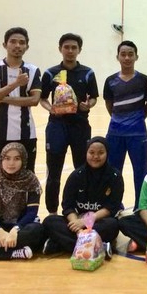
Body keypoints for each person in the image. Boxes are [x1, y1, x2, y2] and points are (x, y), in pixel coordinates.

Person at [40, 33, 99, 214]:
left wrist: (88, 105)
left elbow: (94, 98)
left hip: (80, 126)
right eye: (66, 47)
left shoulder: (87, 73)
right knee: (54, 172)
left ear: (79, 50)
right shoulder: (50, 73)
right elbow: (42, 98)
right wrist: (50, 108)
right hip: (57, 127)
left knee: (82, 170)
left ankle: (81, 210)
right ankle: (52, 212)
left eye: (74, 47)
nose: (70, 51)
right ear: (60, 49)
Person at [42, 137, 123, 258]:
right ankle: (98, 247)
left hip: (98, 221)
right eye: (92, 152)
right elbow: (68, 206)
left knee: (113, 225)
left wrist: (85, 222)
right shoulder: (76, 176)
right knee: (50, 221)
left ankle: (62, 244)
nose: (96, 156)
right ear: (86, 153)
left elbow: (111, 208)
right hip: (77, 222)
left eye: (101, 153)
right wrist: (78, 228)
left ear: (107, 154)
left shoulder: (115, 177)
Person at [0, 27, 42, 177]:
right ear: (4, 44)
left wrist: (2, 98)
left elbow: (34, 100)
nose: (17, 45)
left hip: (26, 134)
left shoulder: (33, 70)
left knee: (26, 176)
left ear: (27, 46)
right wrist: (15, 84)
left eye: (22, 42)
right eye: (13, 42)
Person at [103, 40, 147, 210]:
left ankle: (141, 207)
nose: (127, 58)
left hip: (138, 134)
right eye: (123, 54)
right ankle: (114, 205)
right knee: (113, 172)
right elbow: (109, 105)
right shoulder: (110, 81)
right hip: (115, 134)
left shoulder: (144, 80)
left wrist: (139, 118)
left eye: (130, 54)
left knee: (141, 172)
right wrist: (120, 120)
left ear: (136, 57)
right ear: (117, 57)